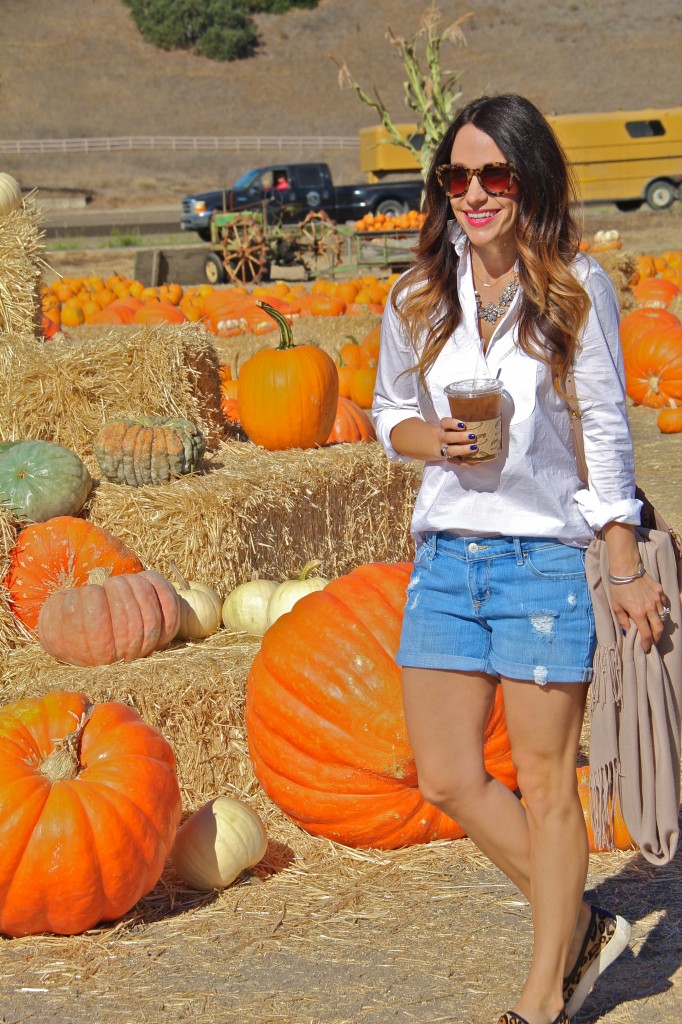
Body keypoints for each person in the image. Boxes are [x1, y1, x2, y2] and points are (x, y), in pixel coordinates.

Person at [372, 93, 668, 1024]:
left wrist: (621, 559)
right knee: (448, 776)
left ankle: (543, 999)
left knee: (545, 784)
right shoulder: (418, 293)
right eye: (456, 177)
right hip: (450, 556)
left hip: (545, 559)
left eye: (494, 174)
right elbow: (387, 412)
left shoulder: (576, 285)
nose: (474, 193)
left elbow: (606, 432)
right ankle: (576, 923)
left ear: (529, 179)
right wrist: (432, 444)